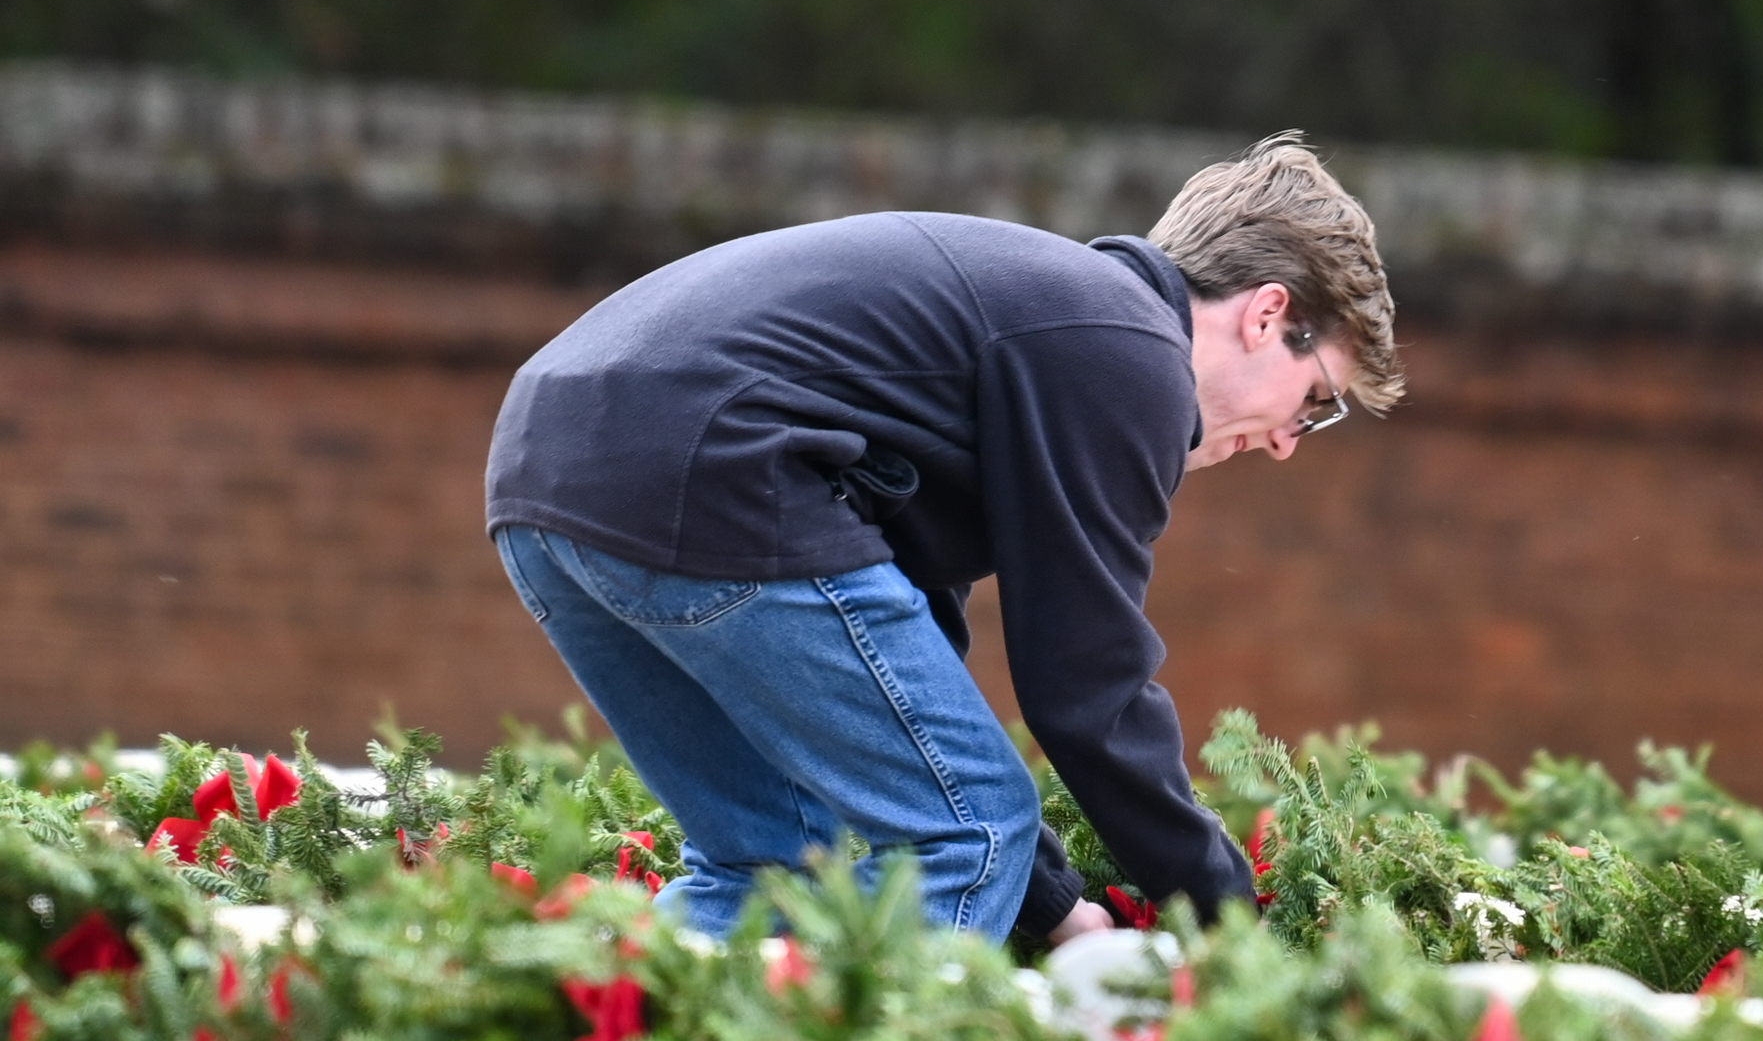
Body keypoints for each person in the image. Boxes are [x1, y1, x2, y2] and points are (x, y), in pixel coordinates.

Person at [484, 132, 1402, 944]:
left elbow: (911, 656)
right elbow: (1089, 684)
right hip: (706, 475)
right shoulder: (1129, 357)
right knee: (965, 833)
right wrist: (1237, 929)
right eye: (1317, 403)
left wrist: (1051, 906)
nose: (1286, 444)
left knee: (773, 858)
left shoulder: (1052, 324)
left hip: (548, 469)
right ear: (1267, 313)